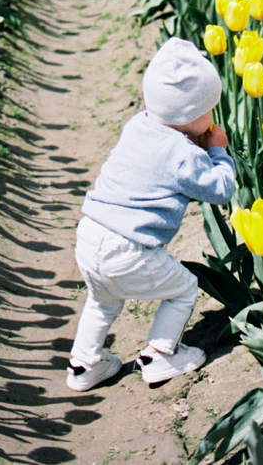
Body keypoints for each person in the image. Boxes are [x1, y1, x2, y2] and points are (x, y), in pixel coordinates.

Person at [66, 37, 236, 391]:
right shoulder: (182, 155)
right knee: (185, 288)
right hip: (126, 250)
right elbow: (221, 190)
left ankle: (83, 365)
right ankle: (160, 354)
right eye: (209, 109)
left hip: (90, 236)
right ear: (193, 114)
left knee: (102, 301)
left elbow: (155, 164)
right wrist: (218, 151)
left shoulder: (137, 125)